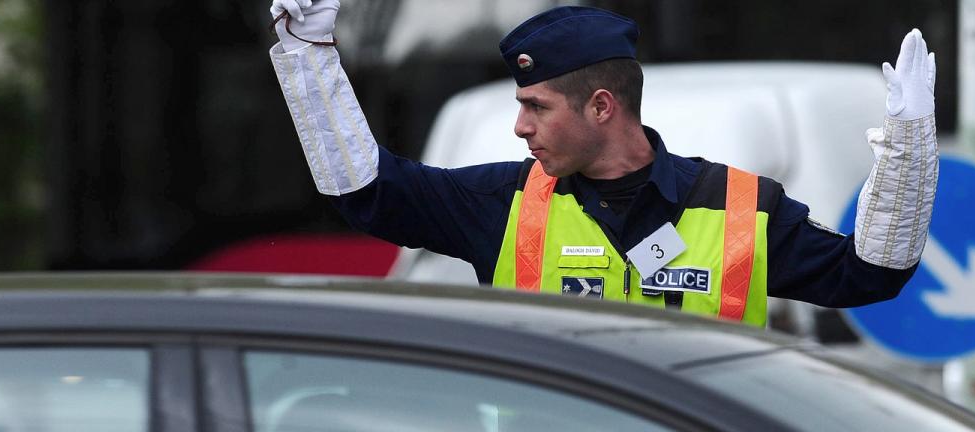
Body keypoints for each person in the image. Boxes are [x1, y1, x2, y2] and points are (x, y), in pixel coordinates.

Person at [267, 1, 938, 328]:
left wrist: (908, 144)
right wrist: (310, 57)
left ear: (601, 107)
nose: (519, 126)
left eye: (537, 107)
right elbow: (365, 191)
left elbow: (869, 276)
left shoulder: (738, 208)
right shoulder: (502, 203)